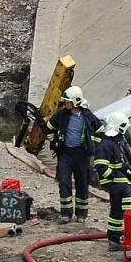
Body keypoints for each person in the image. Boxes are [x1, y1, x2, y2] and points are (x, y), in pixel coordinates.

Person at [45, 86, 102, 224]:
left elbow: (100, 131)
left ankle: (81, 214)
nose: (66, 104)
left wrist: (91, 144)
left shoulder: (88, 116)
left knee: (82, 183)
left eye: (68, 102)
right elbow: (49, 128)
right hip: (65, 153)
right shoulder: (62, 115)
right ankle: (66, 213)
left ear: (76, 101)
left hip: (82, 155)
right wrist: (55, 140)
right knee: (64, 182)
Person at [93, 111, 131, 251]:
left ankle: (114, 239)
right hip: (118, 184)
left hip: (120, 182)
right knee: (128, 210)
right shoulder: (106, 144)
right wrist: (113, 178)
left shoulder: (115, 141)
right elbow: (100, 165)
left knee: (117, 212)